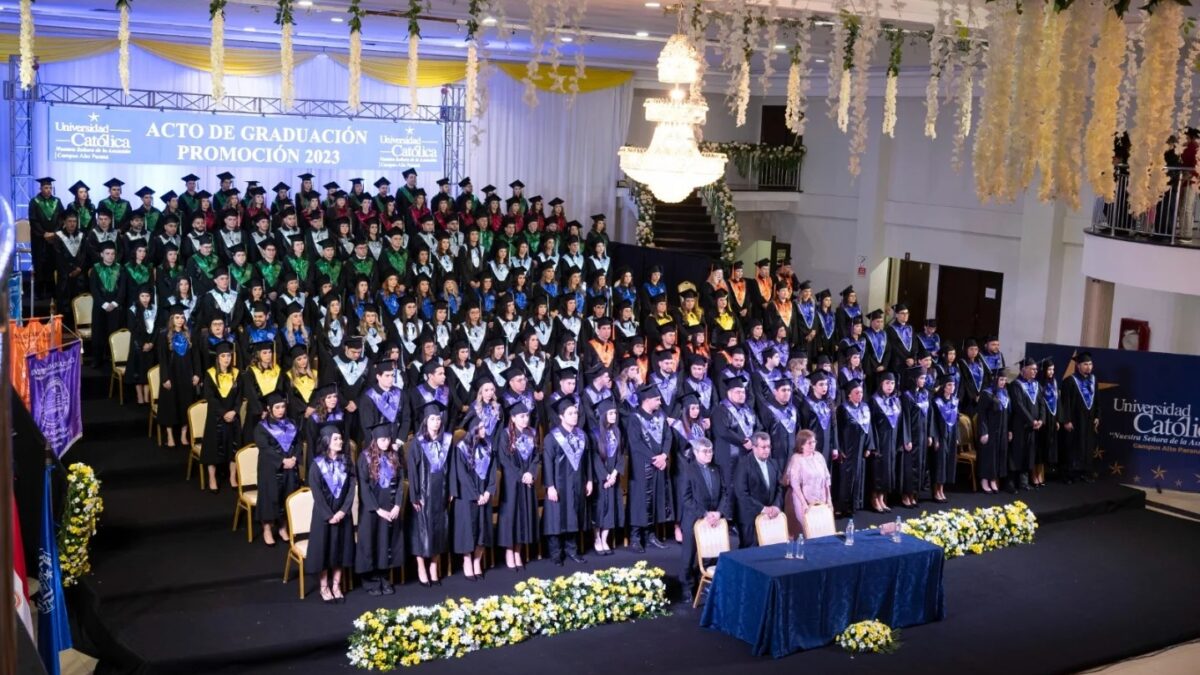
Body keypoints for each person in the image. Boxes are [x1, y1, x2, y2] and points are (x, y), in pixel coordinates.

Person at [307, 425, 356, 604]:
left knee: (341, 550)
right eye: (336, 439)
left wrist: (343, 511)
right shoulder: (316, 465)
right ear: (327, 441)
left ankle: (336, 585)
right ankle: (324, 586)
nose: (340, 442)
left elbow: (351, 488)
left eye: (340, 439)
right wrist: (330, 515)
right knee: (324, 550)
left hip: (343, 515)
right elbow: (317, 494)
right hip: (323, 516)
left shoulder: (347, 462)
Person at [406, 401, 452, 587]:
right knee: (422, 531)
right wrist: (415, 495)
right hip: (424, 495)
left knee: (439, 530)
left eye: (438, 419)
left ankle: (434, 565)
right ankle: (421, 567)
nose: (436, 423)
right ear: (425, 421)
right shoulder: (417, 443)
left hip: (440, 493)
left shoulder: (446, 441)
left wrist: (451, 491)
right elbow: (412, 470)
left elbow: (452, 468)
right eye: (432, 419)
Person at [355, 423, 405, 596]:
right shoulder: (365, 458)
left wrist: (398, 504)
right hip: (372, 510)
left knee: (386, 543)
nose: (386, 442)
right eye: (382, 440)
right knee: (371, 543)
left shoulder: (394, 456)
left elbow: (400, 482)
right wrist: (377, 509)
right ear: (375, 440)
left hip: (391, 508)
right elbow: (364, 486)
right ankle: (371, 580)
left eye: (388, 439)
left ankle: (384, 577)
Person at [542, 398, 592, 565]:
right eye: (570, 413)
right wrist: (550, 486)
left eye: (576, 413)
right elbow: (547, 463)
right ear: (561, 416)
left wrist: (589, 480)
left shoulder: (582, 435)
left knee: (574, 515)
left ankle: (572, 550)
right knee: (557, 518)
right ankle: (556, 553)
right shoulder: (552, 438)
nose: (574, 416)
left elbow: (588, 461)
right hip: (558, 483)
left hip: (577, 482)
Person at [624, 384, 674, 552]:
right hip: (642, 465)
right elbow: (635, 443)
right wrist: (655, 459)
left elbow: (668, 436)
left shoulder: (661, 415)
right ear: (646, 400)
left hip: (659, 464)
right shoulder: (635, 418)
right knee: (640, 500)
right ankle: (635, 537)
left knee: (656, 499)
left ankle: (651, 535)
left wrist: (664, 455)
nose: (660, 402)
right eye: (657, 399)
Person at [678, 438, 730, 591]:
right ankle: (686, 587)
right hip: (694, 518)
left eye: (711, 451)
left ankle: (706, 583)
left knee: (711, 553)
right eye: (705, 451)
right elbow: (686, 498)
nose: (709, 454)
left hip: (714, 518)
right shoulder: (688, 470)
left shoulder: (717, 469)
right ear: (695, 452)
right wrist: (705, 514)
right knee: (689, 555)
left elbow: (725, 493)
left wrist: (719, 513)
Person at [254, 391, 303, 547]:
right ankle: (267, 528)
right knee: (270, 498)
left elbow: (298, 443)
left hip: (289, 467)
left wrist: (294, 458)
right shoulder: (262, 427)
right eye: (277, 407)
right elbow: (265, 448)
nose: (281, 410)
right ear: (269, 409)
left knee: (286, 495)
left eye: (283, 406)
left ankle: (282, 526)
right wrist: (282, 460)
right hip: (270, 468)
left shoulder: (292, 423)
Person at [452, 417, 497, 581]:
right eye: (481, 428)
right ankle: (467, 561)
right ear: (472, 429)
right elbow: (462, 475)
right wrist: (475, 494)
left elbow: (493, 471)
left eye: (485, 427)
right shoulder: (461, 448)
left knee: (482, 528)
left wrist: (487, 492)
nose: (485, 430)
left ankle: (478, 560)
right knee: (468, 530)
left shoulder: (488, 446)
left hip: (484, 495)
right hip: (467, 496)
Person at [496, 401, 539, 569]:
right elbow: (504, 459)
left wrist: (530, 473)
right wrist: (521, 475)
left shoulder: (532, 433)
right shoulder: (506, 435)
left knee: (524, 516)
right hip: (511, 482)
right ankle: (509, 551)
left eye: (527, 416)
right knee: (511, 515)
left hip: (527, 481)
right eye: (521, 416)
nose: (525, 419)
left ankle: (518, 551)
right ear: (513, 418)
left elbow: (536, 456)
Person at [200, 342, 241, 493]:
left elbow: (239, 396)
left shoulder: (236, 374)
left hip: (233, 417)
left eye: (229, 355)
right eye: (223, 356)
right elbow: (210, 397)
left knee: (233, 447)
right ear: (217, 358)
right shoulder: (210, 374)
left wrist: (234, 411)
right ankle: (212, 478)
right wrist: (224, 413)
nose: (226, 359)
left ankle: (232, 476)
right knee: (212, 448)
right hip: (215, 417)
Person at [156, 304, 198, 448]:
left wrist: (197, 374)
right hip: (171, 375)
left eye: (182, 317)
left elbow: (195, 356)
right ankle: (169, 436)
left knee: (186, 403)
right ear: (172, 319)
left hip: (186, 374)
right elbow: (162, 359)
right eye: (177, 317)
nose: (180, 320)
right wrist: (164, 378)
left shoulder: (189, 334)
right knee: (170, 405)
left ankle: (183, 435)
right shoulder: (164, 335)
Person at [732, 431, 783, 547]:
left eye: (769, 447)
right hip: (750, 519)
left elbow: (779, 487)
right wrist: (762, 509)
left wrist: (776, 505)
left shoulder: (773, 463)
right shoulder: (743, 464)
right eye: (763, 447)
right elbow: (741, 493)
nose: (767, 450)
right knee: (751, 554)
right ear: (754, 448)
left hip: (771, 516)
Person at [589, 399, 625, 555]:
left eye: (615, 413)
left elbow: (620, 455)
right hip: (600, 478)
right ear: (603, 415)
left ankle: (605, 539)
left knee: (611, 508)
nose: (614, 416)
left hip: (613, 477)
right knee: (599, 509)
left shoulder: (617, 431)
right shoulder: (594, 434)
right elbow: (594, 458)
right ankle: (597, 539)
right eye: (610, 413)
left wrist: (615, 474)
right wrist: (605, 477)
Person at [1059, 352, 1100, 483]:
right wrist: (1066, 420)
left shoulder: (1093, 380)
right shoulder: (1069, 381)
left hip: (1088, 420)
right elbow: (1065, 403)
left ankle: (1084, 472)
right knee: (1073, 446)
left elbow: (1097, 400)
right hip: (1074, 420)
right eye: (1085, 364)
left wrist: (1097, 416)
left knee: (1086, 446)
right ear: (1078, 365)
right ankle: (1069, 474)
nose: (1088, 367)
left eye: (1090, 364)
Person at [868, 372, 906, 513]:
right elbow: (870, 424)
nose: (890, 386)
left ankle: (883, 498)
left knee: (888, 471)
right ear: (881, 384)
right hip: (880, 440)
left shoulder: (896, 400)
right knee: (879, 470)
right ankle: (875, 498)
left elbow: (900, 422)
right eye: (887, 383)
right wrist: (873, 444)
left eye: (892, 383)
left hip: (892, 440)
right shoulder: (874, 400)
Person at [835, 379, 874, 516]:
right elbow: (838, 430)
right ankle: (841, 507)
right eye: (856, 392)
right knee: (845, 478)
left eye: (861, 392)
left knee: (858, 477)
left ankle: (854, 505)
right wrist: (839, 449)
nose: (860, 395)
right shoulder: (843, 409)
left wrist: (869, 446)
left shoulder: (865, 407)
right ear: (849, 395)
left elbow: (869, 428)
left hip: (860, 450)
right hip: (847, 449)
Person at [783, 429, 832, 537]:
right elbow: (795, 484)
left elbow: (827, 479)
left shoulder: (819, 456)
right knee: (807, 532)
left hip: (821, 499)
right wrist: (804, 503)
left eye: (814, 442)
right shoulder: (797, 459)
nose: (812, 445)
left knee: (822, 530)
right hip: (803, 501)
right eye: (809, 443)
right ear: (801, 445)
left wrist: (829, 499)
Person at [1008, 358, 1046, 493]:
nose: (1036, 371)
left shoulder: (1037, 385)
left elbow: (1042, 404)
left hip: (1033, 427)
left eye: (1036, 369)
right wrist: (1032, 420)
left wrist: (1041, 419)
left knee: (1028, 453)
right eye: (1033, 369)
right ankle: (1011, 483)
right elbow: (1018, 405)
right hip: (1018, 425)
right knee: (1016, 453)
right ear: (1024, 370)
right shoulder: (1015, 385)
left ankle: (1023, 482)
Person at [899, 367, 930, 508]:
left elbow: (928, 417)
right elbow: (904, 418)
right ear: (914, 379)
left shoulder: (925, 394)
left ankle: (915, 494)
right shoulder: (906, 396)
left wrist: (930, 434)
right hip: (912, 436)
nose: (924, 381)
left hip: (923, 436)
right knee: (910, 466)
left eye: (924, 378)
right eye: (921, 378)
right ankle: (907, 495)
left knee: (920, 464)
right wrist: (907, 439)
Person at [976, 371, 1011, 494]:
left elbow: (1008, 414)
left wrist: (1009, 430)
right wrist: (984, 432)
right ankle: (984, 480)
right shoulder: (986, 393)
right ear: (995, 379)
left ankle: (993, 479)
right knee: (988, 455)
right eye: (1001, 379)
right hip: (990, 430)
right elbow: (982, 415)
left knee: (998, 454)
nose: (1003, 382)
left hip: (1002, 430)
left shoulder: (1005, 393)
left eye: (1004, 380)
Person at [126, 285, 159, 406]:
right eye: (142, 296)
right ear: (138, 297)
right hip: (137, 344)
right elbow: (132, 329)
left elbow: (157, 328)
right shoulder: (133, 309)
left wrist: (151, 343)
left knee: (148, 369)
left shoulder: (154, 309)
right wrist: (142, 344)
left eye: (147, 296)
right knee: (138, 370)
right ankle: (139, 395)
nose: (145, 299)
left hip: (151, 344)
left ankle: (147, 395)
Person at [929, 375, 960, 503]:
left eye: (953, 385)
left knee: (947, 462)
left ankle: (942, 490)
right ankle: (936, 491)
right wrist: (935, 438)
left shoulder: (955, 401)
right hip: (940, 436)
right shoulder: (936, 402)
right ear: (943, 386)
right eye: (949, 385)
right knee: (939, 463)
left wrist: (957, 436)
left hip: (951, 435)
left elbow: (956, 421)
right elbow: (933, 422)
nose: (951, 388)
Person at [1035, 357, 1061, 488]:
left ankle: (1043, 474)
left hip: (1052, 418)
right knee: (1040, 446)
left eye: (1053, 369)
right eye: (1049, 369)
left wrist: (1057, 419)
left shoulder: (1054, 382)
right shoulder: (1039, 383)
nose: (1051, 372)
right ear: (1044, 370)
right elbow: (1039, 404)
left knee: (1048, 447)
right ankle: (1036, 475)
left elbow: (1057, 401)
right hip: (1043, 419)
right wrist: (1042, 419)